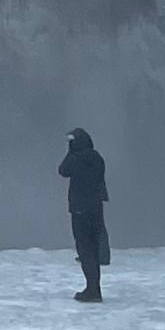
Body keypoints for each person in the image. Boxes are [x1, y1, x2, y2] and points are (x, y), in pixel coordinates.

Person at [60, 128, 111, 302]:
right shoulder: (97, 158)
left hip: (80, 209)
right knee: (94, 248)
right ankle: (94, 287)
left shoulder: (76, 158)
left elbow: (63, 170)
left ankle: (92, 290)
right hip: (96, 208)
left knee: (85, 249)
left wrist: (70, 151)